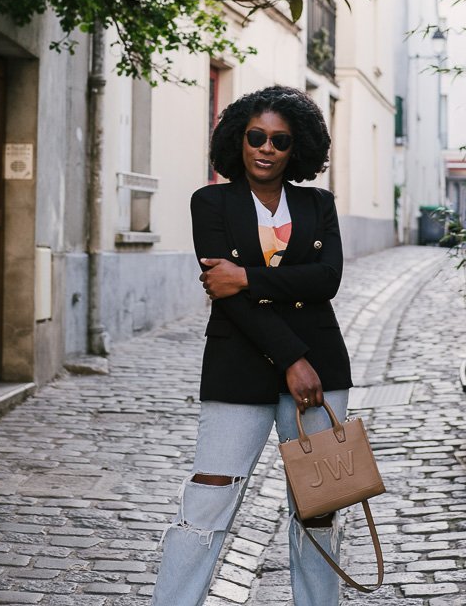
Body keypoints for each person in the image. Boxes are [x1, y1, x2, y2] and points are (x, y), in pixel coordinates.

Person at [151, 85, 352, 606]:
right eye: (256, 136)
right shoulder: (210, 202)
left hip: (321, 371)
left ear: (296, 148)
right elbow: (227, 296)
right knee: (207, 499)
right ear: (237, 140)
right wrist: (292, 358)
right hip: (241, 368)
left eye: (280, 140)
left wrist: (247, 276)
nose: (266, 148)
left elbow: (326, 279)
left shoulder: (318, 204)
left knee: (319, 509)